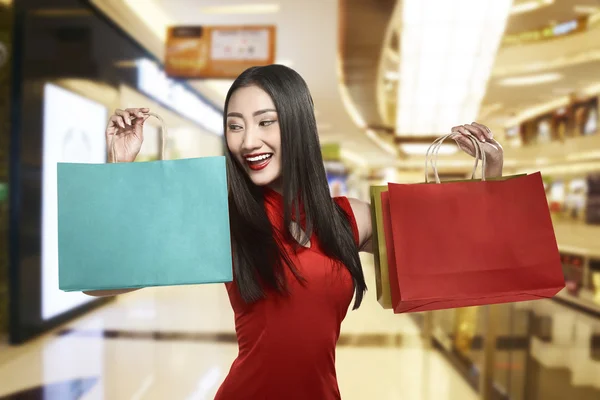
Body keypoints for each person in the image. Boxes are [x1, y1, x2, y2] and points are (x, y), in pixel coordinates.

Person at [86, 65, 504, 399]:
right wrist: (120, 173)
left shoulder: (349, 219)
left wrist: (491, 177)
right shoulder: (223, 218)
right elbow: (100, 282)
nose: (248, 140)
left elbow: (461, 260)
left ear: (297, 124)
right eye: (235, 126)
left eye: (265, 122)